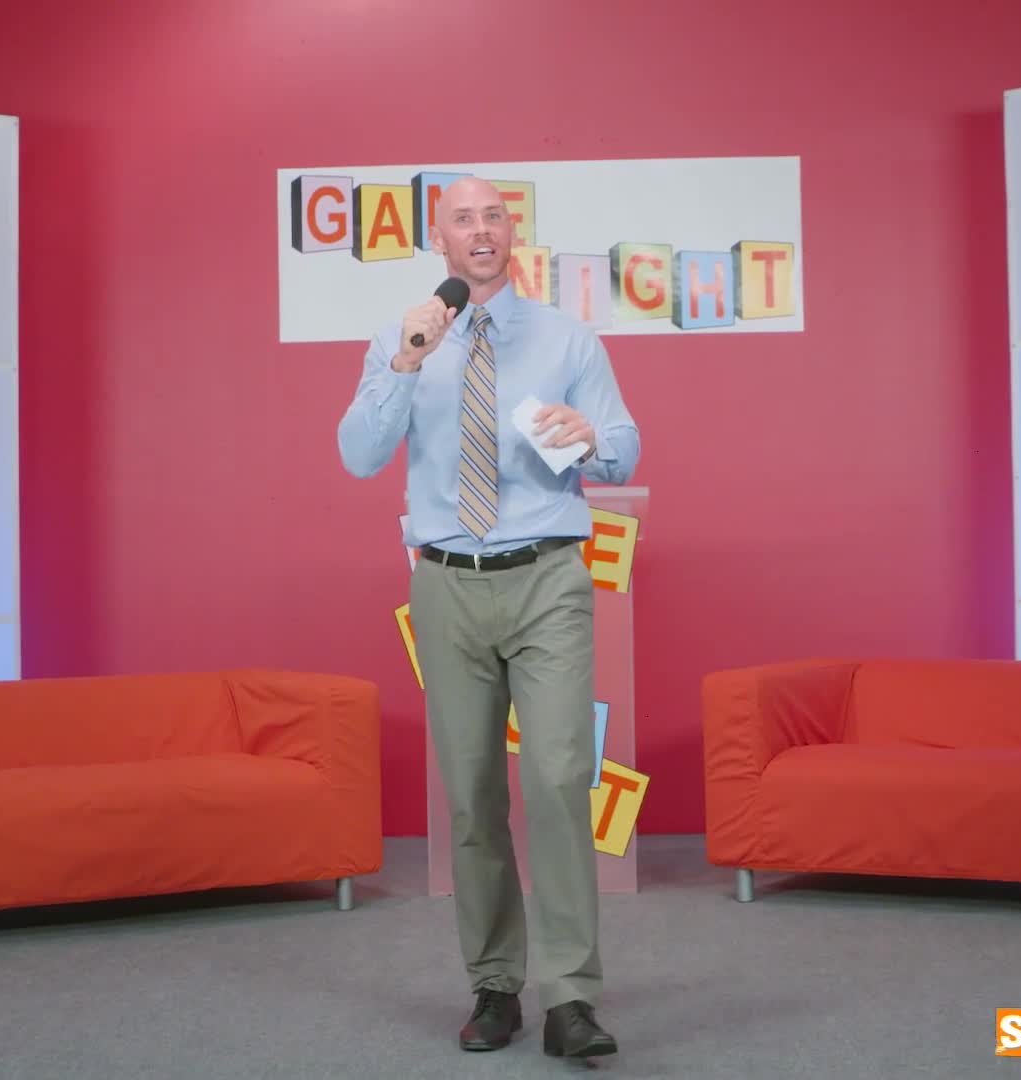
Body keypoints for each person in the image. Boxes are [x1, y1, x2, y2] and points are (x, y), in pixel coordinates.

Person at [337, 177, 639, 1058]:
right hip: (447, 584)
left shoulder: (567, 337)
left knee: (557, 778)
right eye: (464, 218)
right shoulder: (402, 338)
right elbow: (358, 455)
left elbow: (624, 447)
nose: (482, 229)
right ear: (439, 239)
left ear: (513, 234)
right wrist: (407, 360)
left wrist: (592, 437)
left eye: (495, 216)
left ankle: (571, 998)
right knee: (471, 794)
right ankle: (496, 986)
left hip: (546, 578)